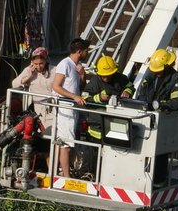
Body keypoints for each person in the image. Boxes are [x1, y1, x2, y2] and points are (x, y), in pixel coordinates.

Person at [50, 36, 90, 178]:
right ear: (79, 51)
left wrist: (82, 76)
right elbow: (56, 86)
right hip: (65, 108)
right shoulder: (65, 64)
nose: (88, 53)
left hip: (72, 109)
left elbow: (79, 88)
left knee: (68, 143)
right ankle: (65, 176)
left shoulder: (75, 67)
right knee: (65, 145)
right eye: (86, 50)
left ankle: (63, 172)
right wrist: (74, 97)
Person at [81, 53, 127, 141]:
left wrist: (126, 91)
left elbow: (130, 86)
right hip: (97, 129)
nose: (106, 78)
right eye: (104, 75)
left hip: (116, 125)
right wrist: (99, 98)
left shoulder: (120, 78)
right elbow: (85, 99)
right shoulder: (94, 82)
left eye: (109, 75)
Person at [126, 47, 178, 112]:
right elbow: (142, 95)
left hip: (162, 118)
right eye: (155, 71)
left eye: (160, 70)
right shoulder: (152, 75)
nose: (157, 73)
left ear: (167, 66)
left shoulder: (177, 81)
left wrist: (159, 104)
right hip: (144, 113)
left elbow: (175, 104)